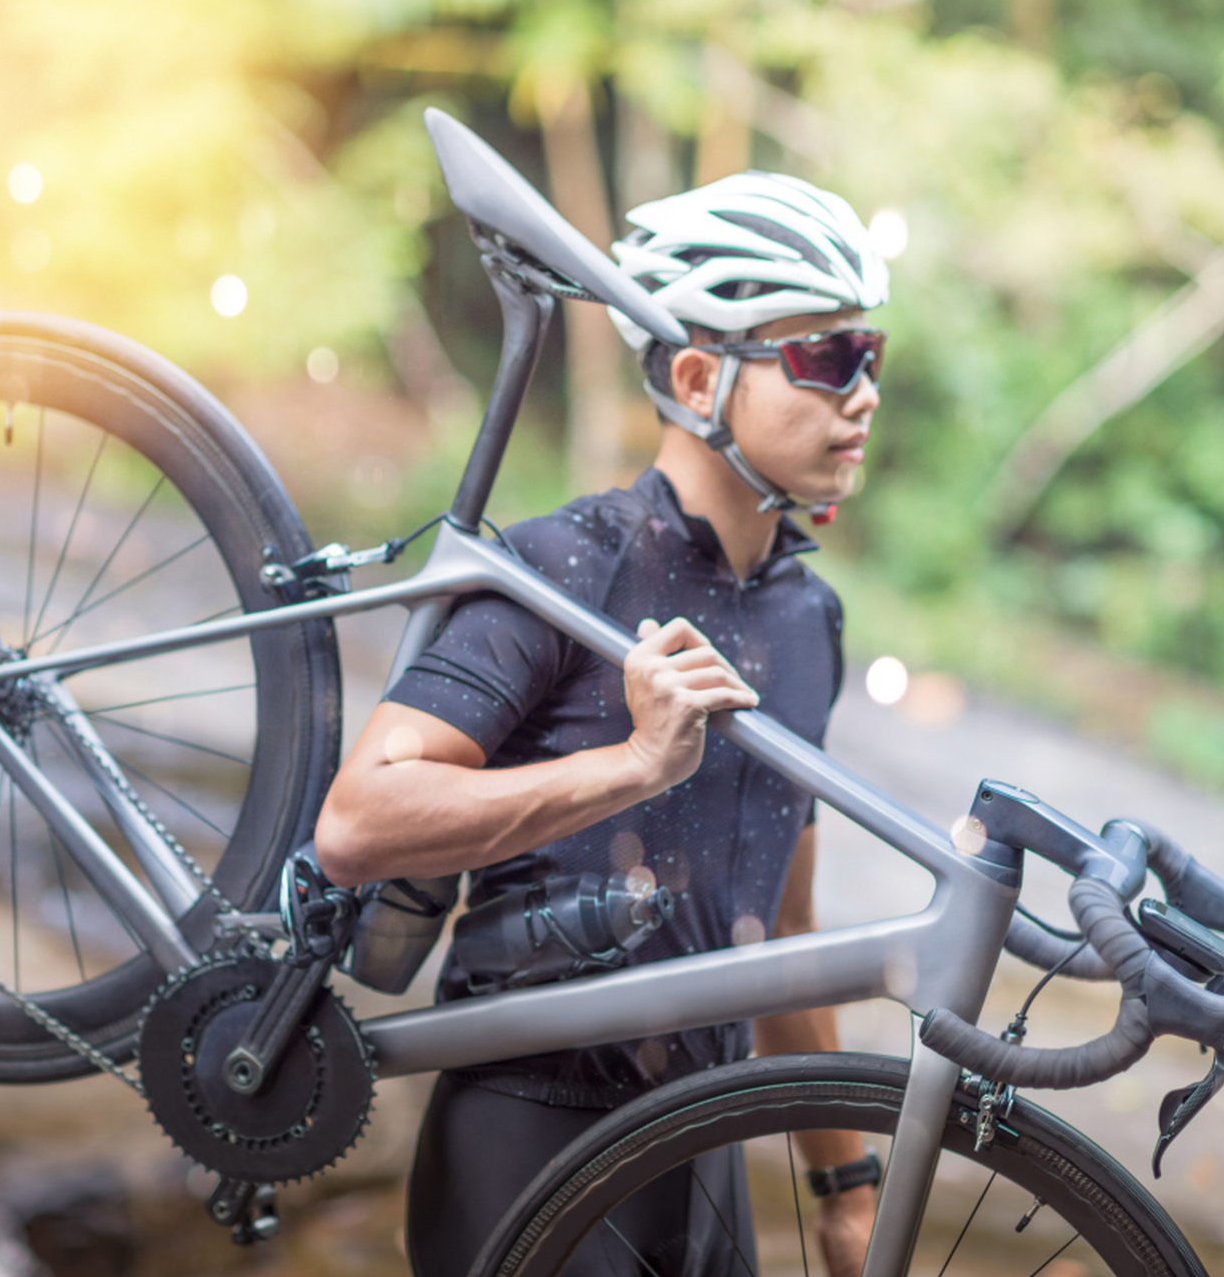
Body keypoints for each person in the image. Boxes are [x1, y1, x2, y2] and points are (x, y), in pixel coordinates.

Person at [314, 169, 890, 1276]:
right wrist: (629, 764)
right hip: (529, 1122)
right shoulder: (566, 565)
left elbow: (784, 927)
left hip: (706, 1134)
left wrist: (843, 1181)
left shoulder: (809, 614)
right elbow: (359, 817)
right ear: (695, 373)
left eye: (871, 359)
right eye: (825, 359)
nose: (861, 394)